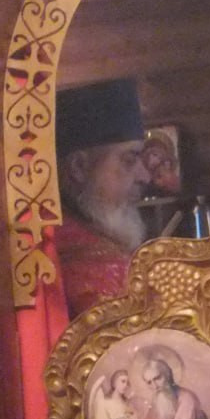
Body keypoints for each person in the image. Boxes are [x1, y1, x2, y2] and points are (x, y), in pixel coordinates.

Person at [53, 78, 152, 317]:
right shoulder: (85, 263)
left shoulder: (93, 238)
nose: (145, 176)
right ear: (79, 167)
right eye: (129, 160)